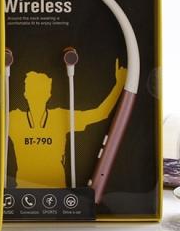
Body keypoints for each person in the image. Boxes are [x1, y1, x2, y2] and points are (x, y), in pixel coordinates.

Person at [7, 59, 127, 188]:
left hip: (58, 192)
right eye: (33, 90)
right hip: (24, 192)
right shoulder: (13, 118)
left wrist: (119, 85)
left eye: (41, 90)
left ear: (48, 94)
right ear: (25, 94)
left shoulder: (60, 116)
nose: (37, 95)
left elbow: (100, 113)